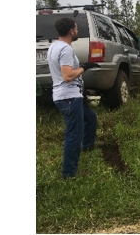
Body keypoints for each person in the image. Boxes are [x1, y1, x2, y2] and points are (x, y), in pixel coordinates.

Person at [46, 16, 99, 179]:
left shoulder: (54, 46)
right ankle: (69, 173)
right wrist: (84, 67)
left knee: (90, 118)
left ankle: (88, 146)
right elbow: (67, 76)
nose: (77, 31)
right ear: (71, 31)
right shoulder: (66, 49)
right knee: (74, 135)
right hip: (69, 97)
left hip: (66, 96)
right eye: (76, 29)